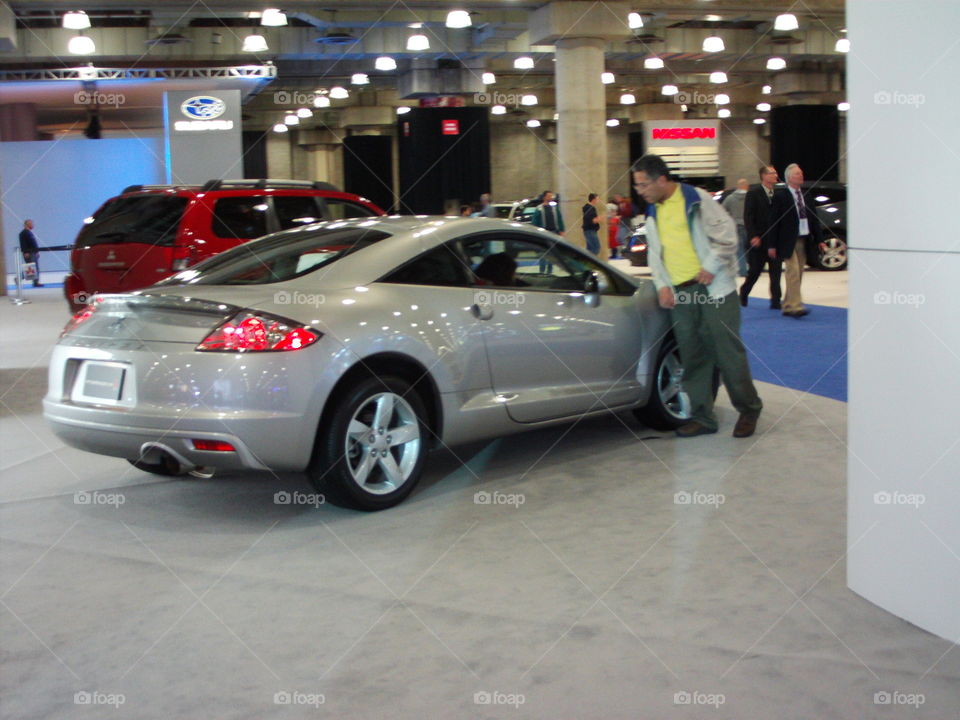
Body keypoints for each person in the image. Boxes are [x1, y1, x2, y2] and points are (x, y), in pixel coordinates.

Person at [632, 154, 762, 438]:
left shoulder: (696, 199)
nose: (639, 191)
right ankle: (703, 417)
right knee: (693, 356)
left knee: (727, 353)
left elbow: (728, 236)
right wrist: (663, 285)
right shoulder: (653, 211)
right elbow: (656, 253)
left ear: (661, 179)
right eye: (637, 186)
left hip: (713, 290)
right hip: (681, 295)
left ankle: (749, 408)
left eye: (643, 185)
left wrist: (711, 266)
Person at [770, 163, 826, 318]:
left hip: (804, 238)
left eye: (801, 173)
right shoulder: (781, 196)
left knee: (799, 272)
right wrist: (772, 244)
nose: (801, 176)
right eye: (797, 174)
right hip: (787, 240)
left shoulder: (806, 195)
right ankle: (796, 306)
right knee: (792, 271)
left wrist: (820, 240)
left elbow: (814, 219)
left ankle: (788, 304)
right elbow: (773, 221)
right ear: (789, 178)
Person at [740, 165, 782, 309]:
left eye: (775, 173)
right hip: (759, 240)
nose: (775, 175)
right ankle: (744, 292)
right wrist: (753, 236)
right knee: (755, 272)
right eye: (771, 173)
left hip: (775, 241)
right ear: (763, 176)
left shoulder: (778, 194)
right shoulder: (754, 193)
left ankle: (776, 301)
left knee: (776, 273)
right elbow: (748, 216)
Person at [722, 178, 750, 277]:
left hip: (736, 226)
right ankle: (753, 269)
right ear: (747, 186)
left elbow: (722, 211)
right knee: (750, 249)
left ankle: (742, 271)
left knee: (740, 250)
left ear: (738, 186)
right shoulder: (750, 198)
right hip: (750, 227)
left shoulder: (730, 198)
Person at [531, 191, 564, 273]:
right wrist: (536, 231)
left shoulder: (554, 208)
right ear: (544, 197)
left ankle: (550, 271)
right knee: (543, 253)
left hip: (553, 232)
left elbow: (559, 219)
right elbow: (535, 222)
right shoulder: (539, 208)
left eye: (551, 196)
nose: (551, 197)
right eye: (549, 196)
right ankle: (542, 271)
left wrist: (561, 230)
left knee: (552, 253)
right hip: (543, 233)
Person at [19, 219, 42, 287]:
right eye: (31, 223)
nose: (33, 225)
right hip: (29, 253)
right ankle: (20, 278)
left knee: (33, 267)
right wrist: (25, 252)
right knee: (31, 267)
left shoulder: (29, 233)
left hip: (33, 252)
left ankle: (35, 281)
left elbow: (33, 243)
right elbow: (23, 244)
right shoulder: (23, 233)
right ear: (27, 224)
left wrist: (37, 251)